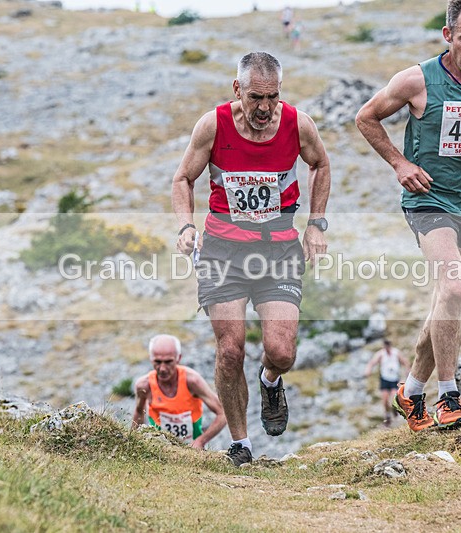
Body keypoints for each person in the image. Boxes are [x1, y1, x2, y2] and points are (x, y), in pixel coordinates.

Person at [356, 0, 461, 431]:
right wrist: (400, 163)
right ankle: (448, 397)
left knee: (444, 302)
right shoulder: (416, 80)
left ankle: (410, 392)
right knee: (452, 289)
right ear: (448, 35)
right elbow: (366, 117)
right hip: (428, 200)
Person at [171, 52, 331, 466]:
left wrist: (317, 223)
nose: (264, 108)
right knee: (230, 350)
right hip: (223, 250)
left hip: (278, 250)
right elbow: (183, 178)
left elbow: (320, 164)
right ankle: (241, 444)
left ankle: (270, 380)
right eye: (255, 97)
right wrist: (186, 226)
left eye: (272, 97)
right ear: (237, 89)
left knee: (281, 351)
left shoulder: (298, 124)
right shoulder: (214, 125)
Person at [132, 335, 227, 450]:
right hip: (158, 448)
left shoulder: (192, 381)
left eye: (168, 362)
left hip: (191, 450)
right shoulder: (144, 385)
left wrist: (200, 441)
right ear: (151, 359)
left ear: (178, 358)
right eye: (157, 361)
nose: (162, 368)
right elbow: (139, 412)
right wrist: (132, 443)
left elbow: (223, 413)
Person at [364, 339, 411, 426]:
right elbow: (372, 362)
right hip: (385, 379)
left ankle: (394, 410)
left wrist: (407, 370)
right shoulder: (381, 354)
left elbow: (404, 361)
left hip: (394, 378)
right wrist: (368, 370)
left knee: (394, 397)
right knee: (385, 399)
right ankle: (387, 415)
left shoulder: (396, 352)